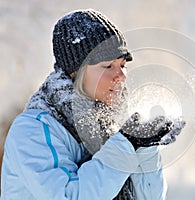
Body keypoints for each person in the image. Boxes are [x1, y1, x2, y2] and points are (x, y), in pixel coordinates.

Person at [0, 9, 185, 200]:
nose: (121, 76)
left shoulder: (111, 127)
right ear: (76, 72)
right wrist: (126, 144)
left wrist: (145, 147)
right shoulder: (33, 130)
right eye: (108, 66)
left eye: (122, 65)